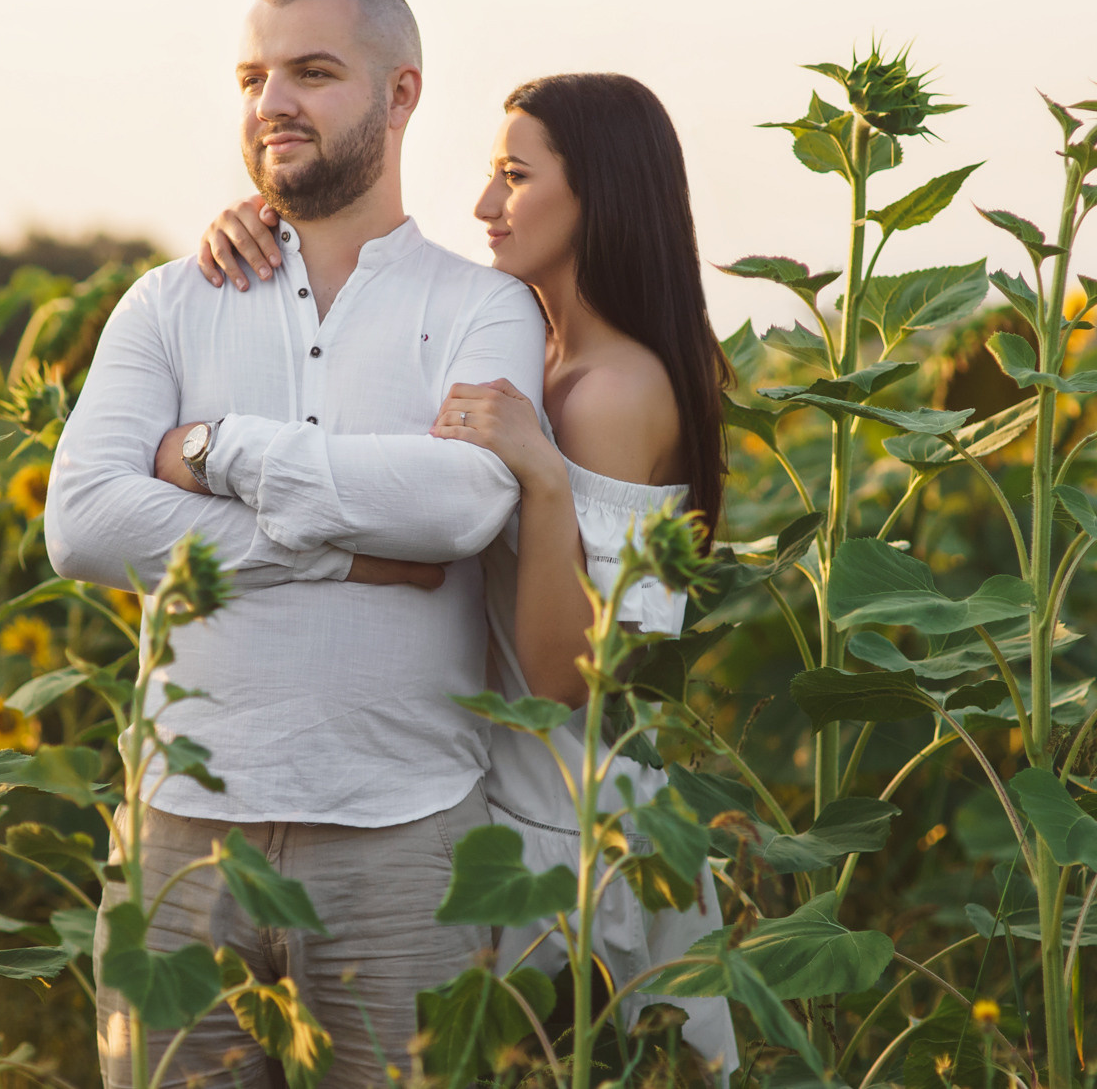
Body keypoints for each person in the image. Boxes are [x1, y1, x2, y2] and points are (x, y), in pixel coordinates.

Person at [44, 0, 548, 1087]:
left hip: (405, 839)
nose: (274, 100)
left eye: (312, 73)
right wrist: (336, 548)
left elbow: (461, 503)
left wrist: (220, 451)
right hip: (178, 844)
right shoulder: (166, 302)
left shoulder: (481, 306)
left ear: (400, 92)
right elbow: (82, 523)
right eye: (252, 76)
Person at [193, 72, 740, 1078]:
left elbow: (566, 677)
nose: (485, 205)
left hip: (557, 839)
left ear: (600, 195)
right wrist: (263, 229)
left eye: (514, 177)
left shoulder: (613, 389)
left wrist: (537, 478)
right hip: (484, 810)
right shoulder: (534, 352)